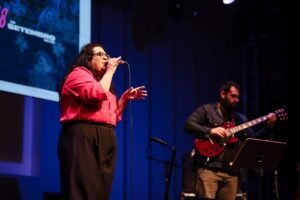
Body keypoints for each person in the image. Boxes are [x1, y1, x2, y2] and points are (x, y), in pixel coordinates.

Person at [57, 43, 147, 200]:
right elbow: (96, 94)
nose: (106, 57)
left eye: (106, 54)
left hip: (105, 137)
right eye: (100, 54)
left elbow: (112, 117)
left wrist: (124, 100)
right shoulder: (78, 75)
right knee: (82, 190)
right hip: (83, 136)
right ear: (88, 59)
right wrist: (111, 71)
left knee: (100, 192)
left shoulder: (103, 83)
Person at [183, 80, 277, 200]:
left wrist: (267, 127)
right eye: (233, 96)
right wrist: (210, 131)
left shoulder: (240, 119)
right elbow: (188, 125)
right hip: (208, 169)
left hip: (232, 173)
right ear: (223, 94)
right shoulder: (206, 110)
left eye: (238, 97)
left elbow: (252, 141)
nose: (237, 100)